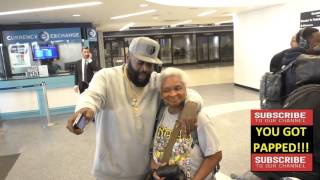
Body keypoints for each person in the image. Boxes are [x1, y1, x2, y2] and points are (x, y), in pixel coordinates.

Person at [66, 37, 203, 180]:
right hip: (109, 173)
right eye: (140, 63)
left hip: (144, 173)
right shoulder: (106, 77)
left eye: (149, 64)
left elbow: (187, 91)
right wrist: (85, 109)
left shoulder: (155, 81)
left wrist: (191, 104)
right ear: (128, 57)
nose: (144, 69)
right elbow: (91, 96)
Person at [150, 67, 222, 180]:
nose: (173, 94)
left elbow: (215, 156)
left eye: (178, 88)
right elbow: (157, 147)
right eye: (166, 90)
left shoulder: (199, 117)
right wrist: (155, 170)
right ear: (161, 93)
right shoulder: (161, 114)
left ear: (186, 89)